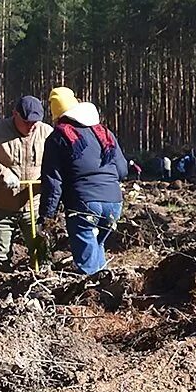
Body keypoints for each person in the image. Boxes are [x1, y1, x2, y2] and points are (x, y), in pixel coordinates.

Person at [37, 86, 128, 276]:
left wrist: (47, 216)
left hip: (84, 204)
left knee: (87, 263)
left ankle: (91, 295)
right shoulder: (104, 133)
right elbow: (122, 170)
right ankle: (104, 291)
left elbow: (53, 182)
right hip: (114, 203)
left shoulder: (58, 138)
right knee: (98, 246)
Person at [0, 96, 54, 269]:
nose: (31, 127)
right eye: (26, 122)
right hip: (2, 206)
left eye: (35, 122)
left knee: (42, 258)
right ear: (15, 114)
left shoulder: (46, 132)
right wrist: (2, 172)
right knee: (1, 260)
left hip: (34, 206)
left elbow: (60, 160)